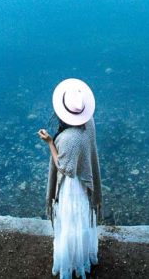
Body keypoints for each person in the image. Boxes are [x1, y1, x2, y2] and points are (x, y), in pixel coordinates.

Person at [38, 78, 101, 279]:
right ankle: (83, 257)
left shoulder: (68, 139)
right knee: (82, 220)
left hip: (72, 187)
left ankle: (70, 263)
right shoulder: (89, 122)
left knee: (70, 223)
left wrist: (50, 143)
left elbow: (64, 168)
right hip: (84, 183)